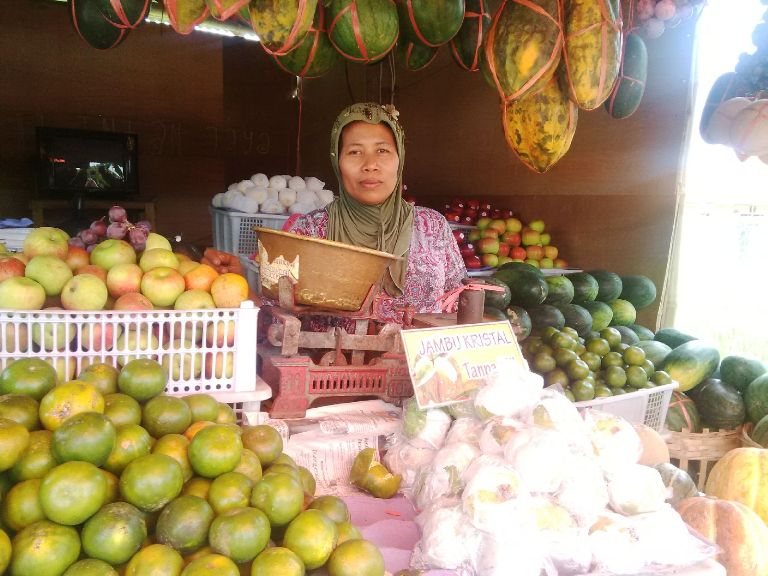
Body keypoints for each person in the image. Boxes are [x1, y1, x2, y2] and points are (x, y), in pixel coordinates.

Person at [204, 101, 466, 324]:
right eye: (355, 152)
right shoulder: (308, 232)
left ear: (400, 159)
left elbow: (460, 304)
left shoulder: (432, 227)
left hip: (420, 377)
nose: (370, 165)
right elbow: (272, 321)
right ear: (336, 161)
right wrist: (239, 284)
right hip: (328, 376)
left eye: (383, 151)